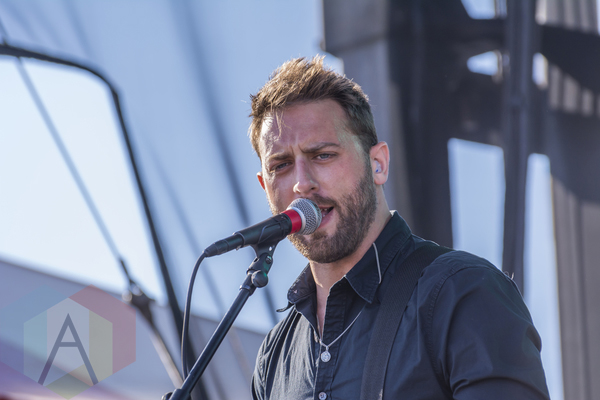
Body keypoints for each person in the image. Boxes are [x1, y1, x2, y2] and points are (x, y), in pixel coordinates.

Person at [248, 56, 550, 399]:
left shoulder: (463, 292)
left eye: (323, 155)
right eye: (281, 165)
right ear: (265, 187)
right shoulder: (273, 357)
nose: (302, 183)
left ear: (377, 164)